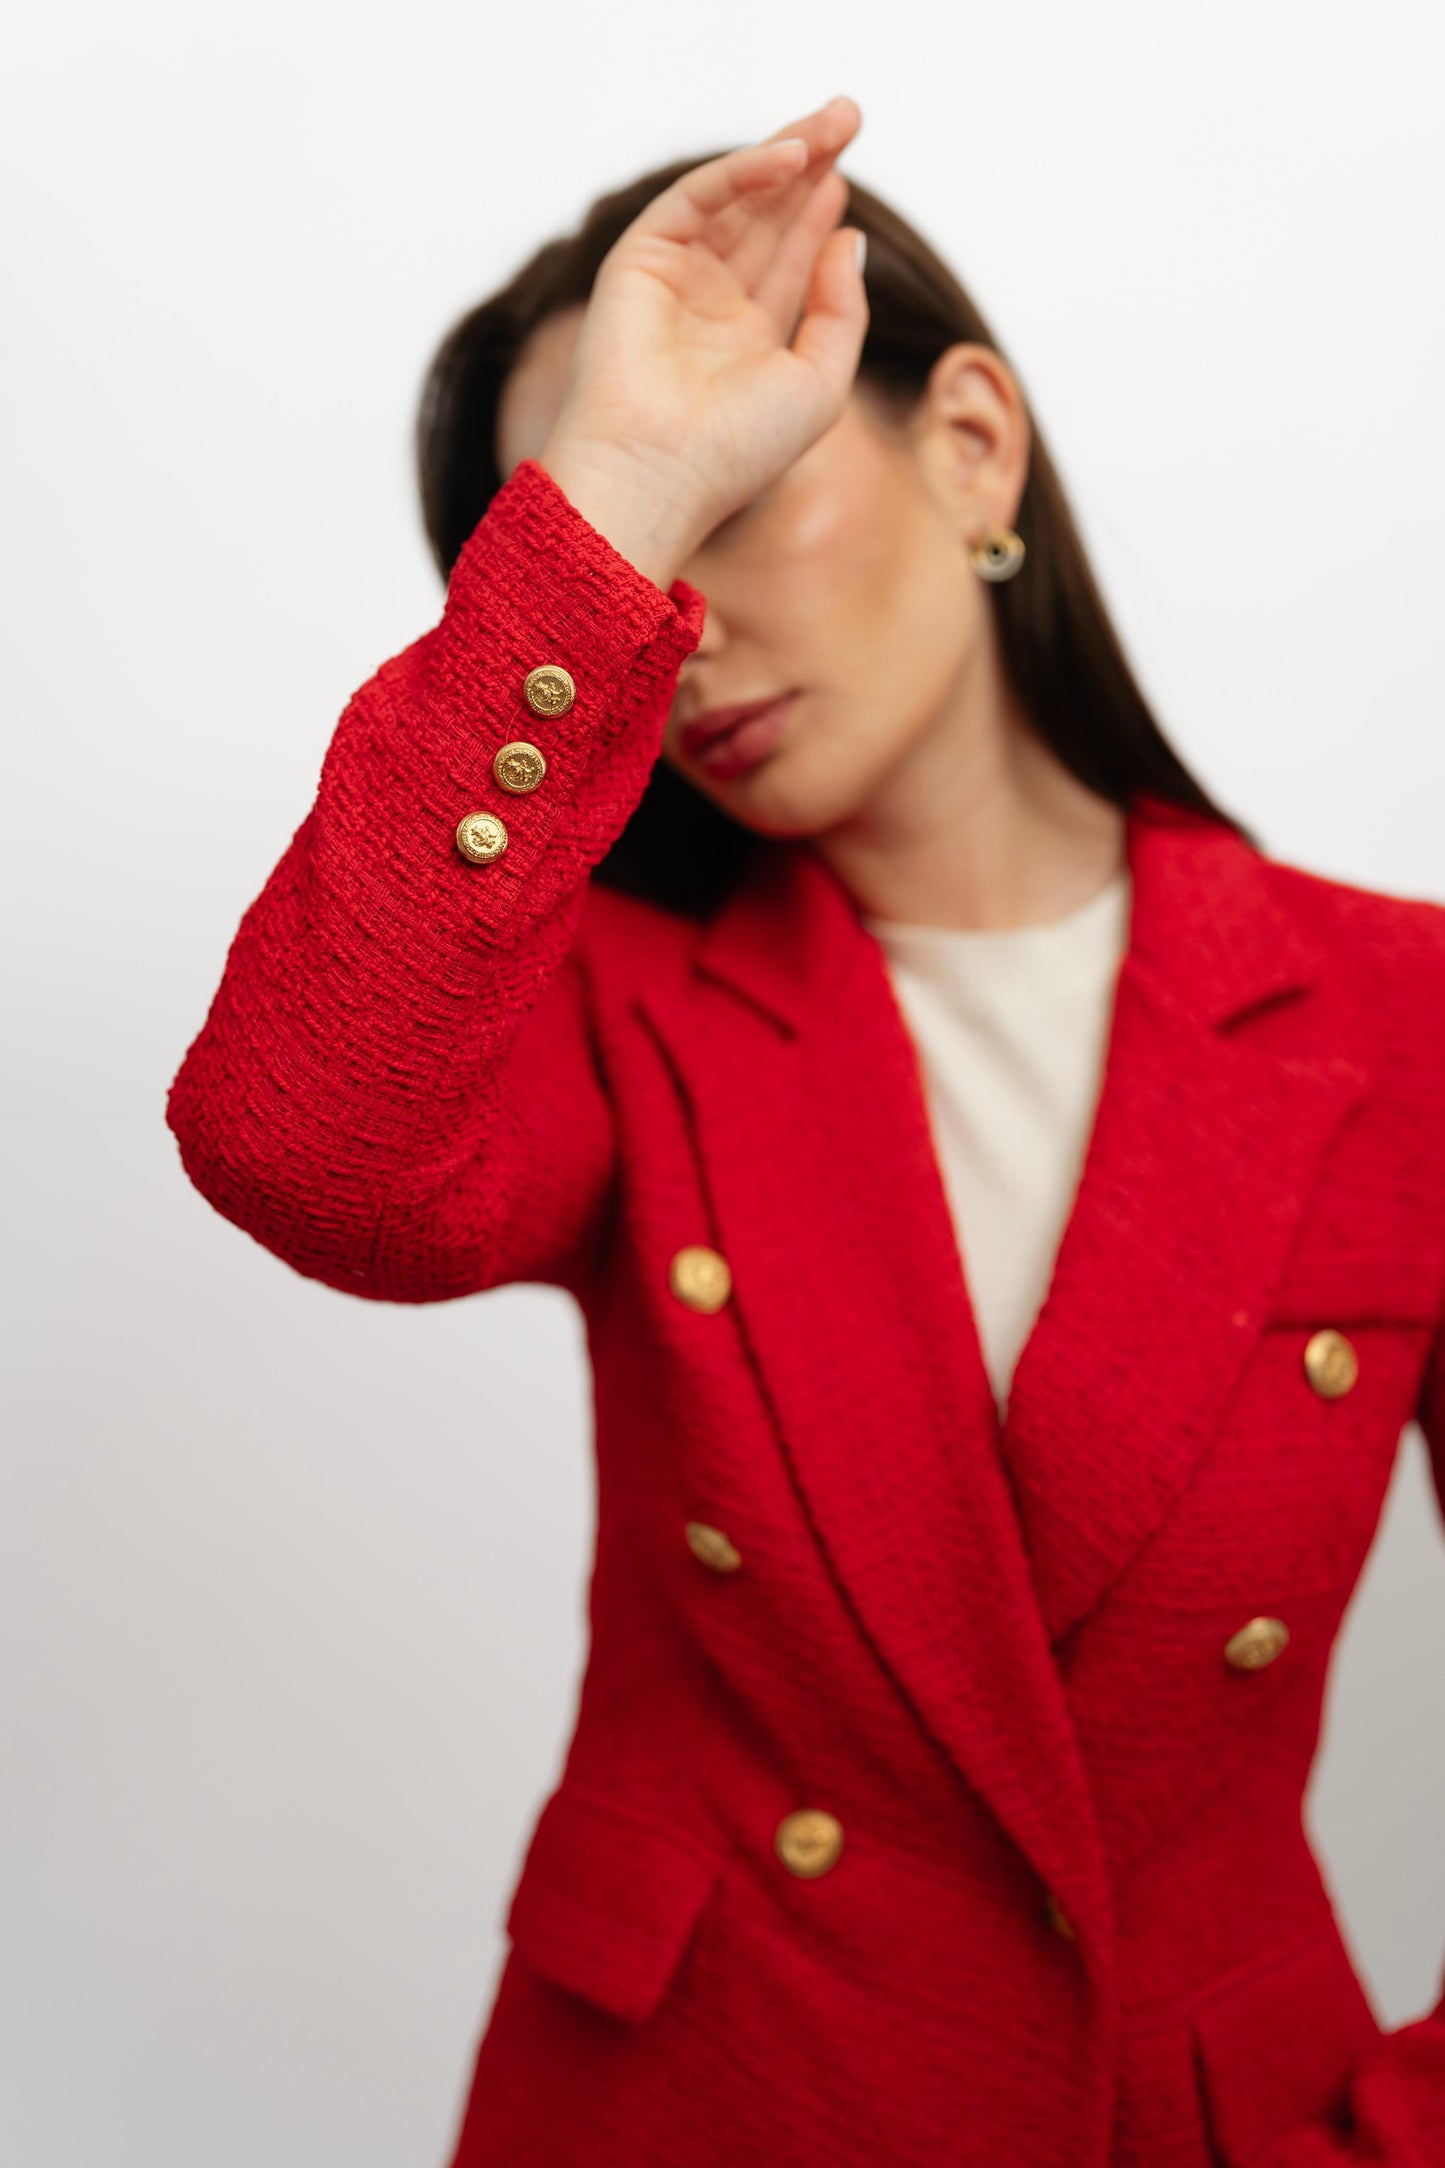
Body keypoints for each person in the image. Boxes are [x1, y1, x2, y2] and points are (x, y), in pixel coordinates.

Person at [166, 94, 1445, 2168]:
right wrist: (609, 507)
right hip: (692, 2107)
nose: (690, 642)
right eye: (641, 560)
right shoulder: (621, 1001)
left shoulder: (1407, 1019)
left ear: (971, 448)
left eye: (740, 498)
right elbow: (298, 1145)